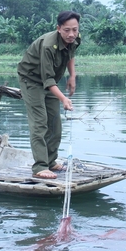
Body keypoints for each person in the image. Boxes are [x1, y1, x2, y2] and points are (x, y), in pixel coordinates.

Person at [17, 10, 81, 179]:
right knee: (40, 122)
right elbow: (47, 80)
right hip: (31, 80)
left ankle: (51, 162)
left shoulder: (74, 38)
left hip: (50, 81)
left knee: (54, 123)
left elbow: (71, 54)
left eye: (75, 29)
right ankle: (39, 167)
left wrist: (72, 76)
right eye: (67, 30)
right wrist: (63, 98)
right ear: (58, 28)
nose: (71, 34)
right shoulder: (48, 45)